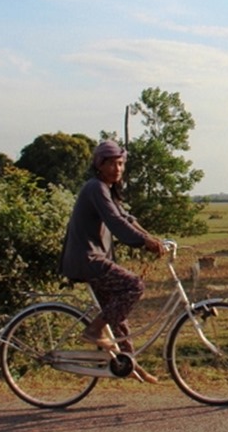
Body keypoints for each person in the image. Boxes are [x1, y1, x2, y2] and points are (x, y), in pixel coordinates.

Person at [59, 139, 165, 383]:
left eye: (120, 164)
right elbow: (116, 223)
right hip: (87, 259)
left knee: (118, 319)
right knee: (134, 286)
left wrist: (151, 238)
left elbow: (125, 217)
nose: (117, 169)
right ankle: (94, 330)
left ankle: (130, 365)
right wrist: (143, 242)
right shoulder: (95, 188)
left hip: (93, 259)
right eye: (111, 164)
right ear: (99, 165)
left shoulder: (106, 189)